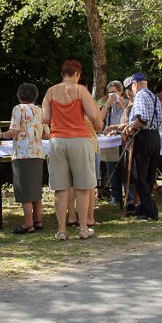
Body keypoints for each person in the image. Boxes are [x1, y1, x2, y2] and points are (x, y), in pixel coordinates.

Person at [42, 60, 109, 239]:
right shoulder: (81, 90)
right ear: (77, 74)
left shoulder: (50, 92)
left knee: (61, 188)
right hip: (79, 139)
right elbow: (94, 115)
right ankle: (83, 228)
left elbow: (45, 117)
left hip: (57, 140)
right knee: (82, 186)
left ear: (62, 74)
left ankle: (62, 230)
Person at [0, 83, 48, 234]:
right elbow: (46, 134)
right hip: (38, 153)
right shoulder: (40, 110)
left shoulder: (18, 109)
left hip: (22, 153)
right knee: (35, 188)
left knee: (24, 189)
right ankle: (38, 220)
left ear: (19, 96)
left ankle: (28, 223)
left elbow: (13, 132)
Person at [124, 72, 161, 221]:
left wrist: (131, 127)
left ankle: (150, 210)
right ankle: (144, 208)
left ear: (135, 84)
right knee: (149, 176)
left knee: (139, 175)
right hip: (155, 137)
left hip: (144, 137)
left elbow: (142, 118)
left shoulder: (140, 95)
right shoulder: (154, 96)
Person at [100, 80, 127, 205]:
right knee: (111, 167)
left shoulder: (127, 103)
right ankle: (115, 196)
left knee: (125, 168)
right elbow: (100, 120)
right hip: (111, 141)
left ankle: (127, 195)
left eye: (114, 92)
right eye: (109, 92)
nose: (112, 95)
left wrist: (121, 103)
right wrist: (107, 103)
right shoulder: (108, 106)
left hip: (124, 139)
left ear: (121, 92)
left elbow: (129, 117)